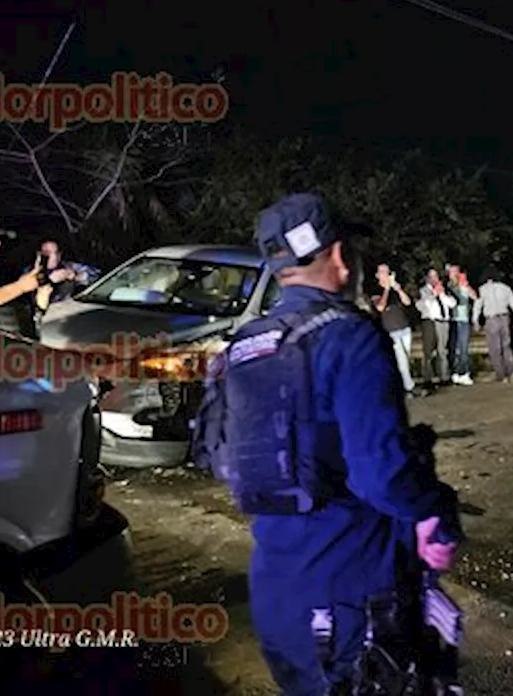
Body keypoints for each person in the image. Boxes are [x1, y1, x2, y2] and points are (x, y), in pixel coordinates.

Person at [193, 193, 461, 695]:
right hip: (352, 600)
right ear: (340, 257)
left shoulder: (242, 347)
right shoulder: (351, 337)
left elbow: (219, 457)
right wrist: (435, 509)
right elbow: (381, 475)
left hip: (277, 598)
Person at [372, 263, 422, 398]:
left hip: (404, 328)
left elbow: (407, 302)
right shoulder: (376, 290)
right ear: (377, 275)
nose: (385, 274)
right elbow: (380, 307)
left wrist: (398, 289)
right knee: (402, 360)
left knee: (405, 359)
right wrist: (386, 290)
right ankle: (409, 387)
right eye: (382, 272)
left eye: (387, 271)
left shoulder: (395, 289)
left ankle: (401, 387)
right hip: (390, 331)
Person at [472, 268, 513, 382]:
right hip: (504, 317)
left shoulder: (482, 289)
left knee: (494, 348)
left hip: (491, 319)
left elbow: (478, 306)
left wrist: (475, 320)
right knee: (506, 345)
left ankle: (501, 373)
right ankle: (512, 369)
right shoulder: (505, 288)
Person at [416, 269, 456, 389]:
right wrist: (434, 294)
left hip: (443, 321)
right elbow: (423, 305)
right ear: (427, 278)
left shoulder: (444, 290)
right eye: (432, 277)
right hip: (430, 321)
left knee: (442, 350)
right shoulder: (423, 291)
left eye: (436, 276)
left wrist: (442, 294)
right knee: (428, 351)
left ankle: (444, 376)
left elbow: (452, 303)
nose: (434, 279)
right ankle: (427, 379)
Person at [30, 239, 99, 304]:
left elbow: (97, 276)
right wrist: (48, 280)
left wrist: (76, 276)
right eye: (47, 253)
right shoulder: (30, 272)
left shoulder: (69, 266)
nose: (53, 257)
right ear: (39, 255)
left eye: (56, 253)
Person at [445, 264, 476, 386]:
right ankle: (456, 372)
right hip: (452, 320)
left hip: (464, 319)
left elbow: (474, 296)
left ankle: (464, 372)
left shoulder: (464, 286)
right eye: (452, 272)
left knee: (464, 347)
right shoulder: (447, 286)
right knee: (454, 348)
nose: (454, 274)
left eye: (456, 272)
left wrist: (466, 286)